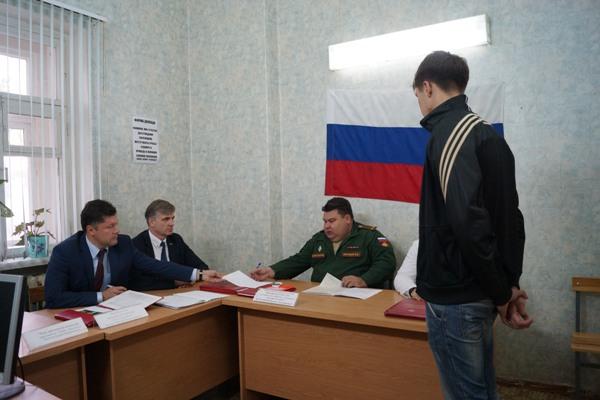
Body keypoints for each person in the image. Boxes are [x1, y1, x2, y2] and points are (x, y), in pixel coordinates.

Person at [413, 51, 532, 399]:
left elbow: (468, 224)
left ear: (427, 87)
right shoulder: (486, 134)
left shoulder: (450, 134)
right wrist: (508, 285)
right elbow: (510, 219)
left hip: (456, 296)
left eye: (417, 95)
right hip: (477, 291)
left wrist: (502, 292)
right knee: (481, 391)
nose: (419, 102)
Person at [44, 199, 221, 308]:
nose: (117, 230)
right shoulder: (65, 252)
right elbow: (53, 298)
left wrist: (198, 274)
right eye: (110, 226)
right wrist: (101, 296)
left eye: (116, 224)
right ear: (91, 230)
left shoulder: (123, 243)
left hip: (115, 312)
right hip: (77, 313)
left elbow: (155, 265)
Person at [250, 197, 396, 288]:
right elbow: (298, 261)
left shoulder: (369, 236)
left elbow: (387, 262)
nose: (326, 226)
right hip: (320, 297)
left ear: (347, 219)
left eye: (332, 221)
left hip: (355, 300)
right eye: (325, 221)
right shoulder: (319, 240)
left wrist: (364, 280)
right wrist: (271, 271)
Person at [130, 199, 214, 291]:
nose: (172, 223)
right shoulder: (136, 244)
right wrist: (174, 282)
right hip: (152, 295)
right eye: (166, 219)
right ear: (151, 222)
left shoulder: (176, 239)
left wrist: (194, 277)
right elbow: (138, 282)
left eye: (172, 218)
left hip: (179, 293)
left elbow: (201, 267)